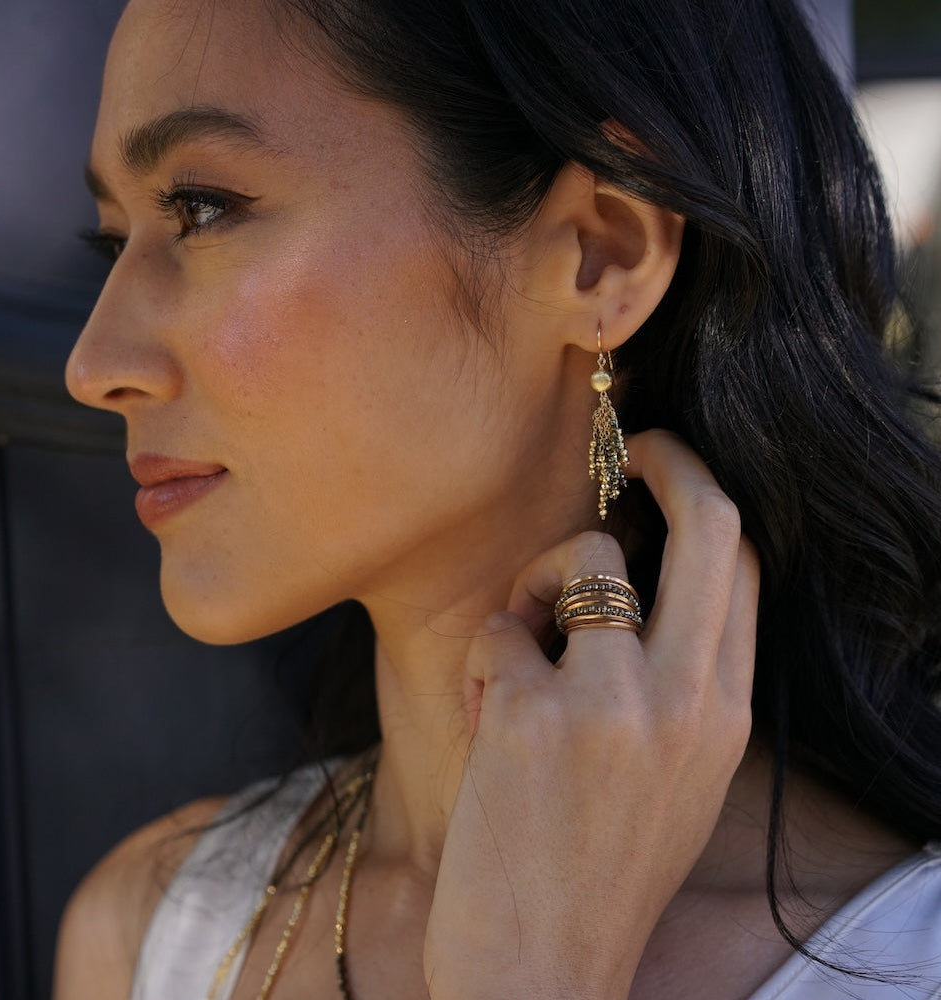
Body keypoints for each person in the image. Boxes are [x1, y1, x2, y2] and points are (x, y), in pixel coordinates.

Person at [54, 0, 941, 998]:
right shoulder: (152, 931)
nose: (93, 365)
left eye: (201, 208)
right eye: (112, 243)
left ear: (600, 252)